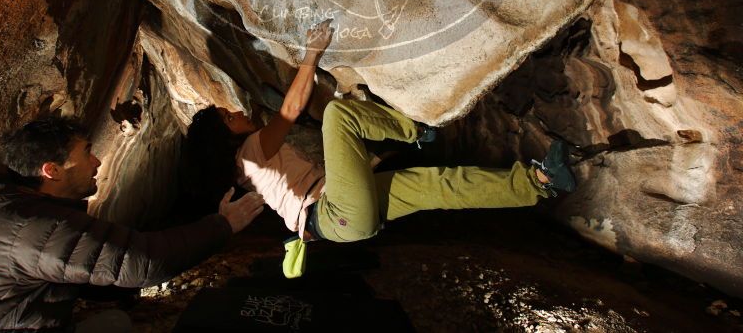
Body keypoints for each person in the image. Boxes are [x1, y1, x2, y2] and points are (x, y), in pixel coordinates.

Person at [190, 20, 577, 276]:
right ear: (227, 137)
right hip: (333, 214)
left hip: (338, 216)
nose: (235, 111)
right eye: (227, 117)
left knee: (440, 185)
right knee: (338, 116)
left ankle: (541, 181)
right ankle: (416, 130)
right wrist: (313, 52)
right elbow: (291, 110)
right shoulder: (251, 152)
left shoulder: (250, 166)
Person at [0, 118, 265, 332]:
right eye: (86, 152)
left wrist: (117, 290)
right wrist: (224, 224)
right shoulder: (35, 226)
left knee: (114, 318)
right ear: (52, 170)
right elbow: (143, 260)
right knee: (114, 325)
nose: (97, 161)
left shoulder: (7, 208)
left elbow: (73, 267)